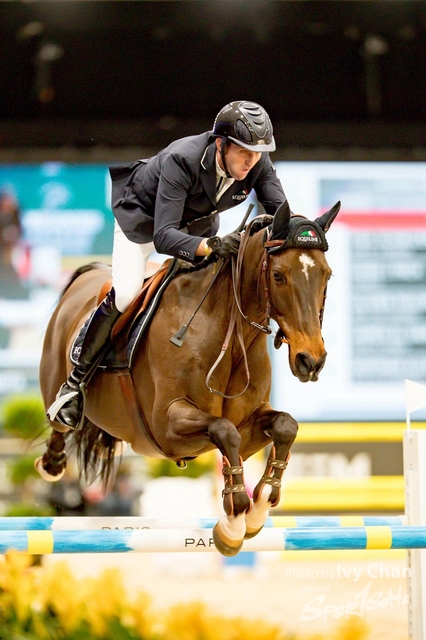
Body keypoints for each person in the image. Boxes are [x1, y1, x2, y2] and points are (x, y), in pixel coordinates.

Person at [51, 100, 289, 430]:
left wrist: (306, 234)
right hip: (144, 221)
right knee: (126, 293)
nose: (251, 160)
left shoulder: (257, 161)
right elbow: (164, 236)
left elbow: (284, 217)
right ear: (221, 144)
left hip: (197, 224)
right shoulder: (183, 159)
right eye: (243, 152)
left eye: (258, 153)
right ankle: (74, 384)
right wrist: (212, 246)